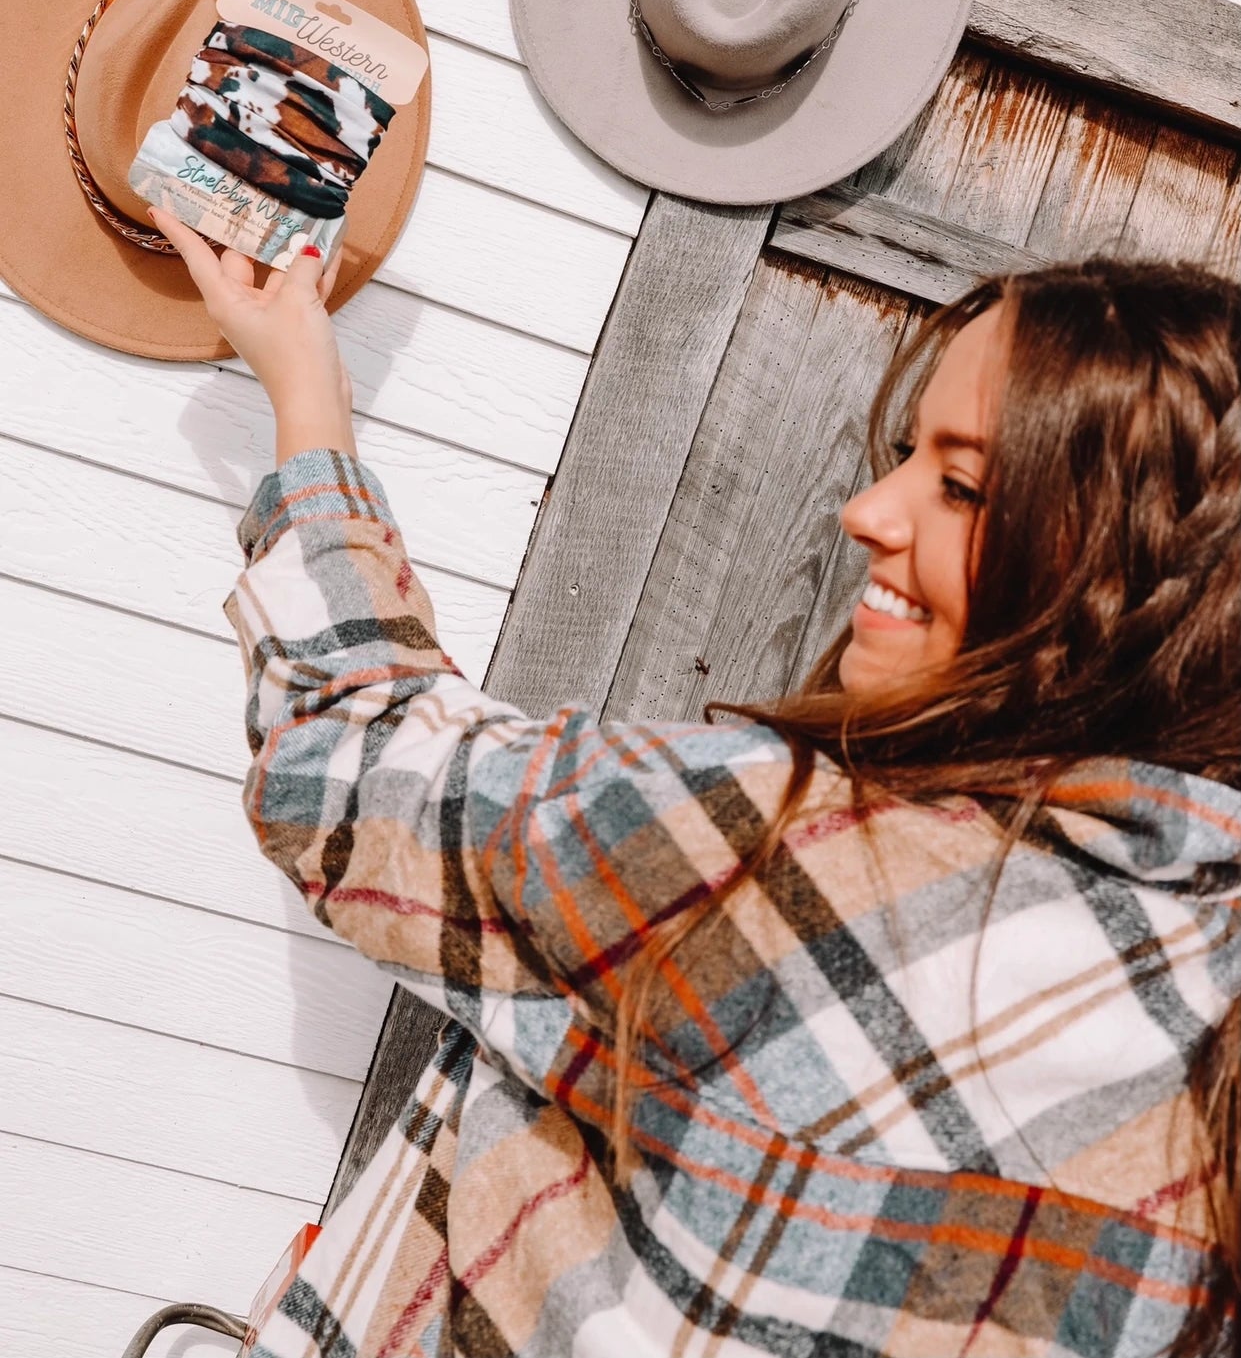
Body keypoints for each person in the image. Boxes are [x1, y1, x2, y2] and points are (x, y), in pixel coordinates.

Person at [153, 203, 1241, 1358]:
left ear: (1121, 570)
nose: (867, 511)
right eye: (904, 459)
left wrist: (306, 402)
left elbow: (348, 763)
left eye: (960, 488)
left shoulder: (787, 856)